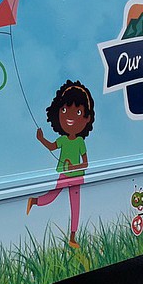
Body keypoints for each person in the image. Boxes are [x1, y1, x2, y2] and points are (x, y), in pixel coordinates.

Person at [27, 80, 95, 248]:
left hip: (76, 177)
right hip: (65, 175)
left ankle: (72, 238)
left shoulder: (80, 142)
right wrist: (41, 138)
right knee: (52, 196)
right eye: (64, 110)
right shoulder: (63, 140)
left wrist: (73, 167)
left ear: (86, 119)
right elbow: (51, 146)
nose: (70, 117)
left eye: (78, 112)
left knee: (75, 207)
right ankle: (34, 201)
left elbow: (85, 163)